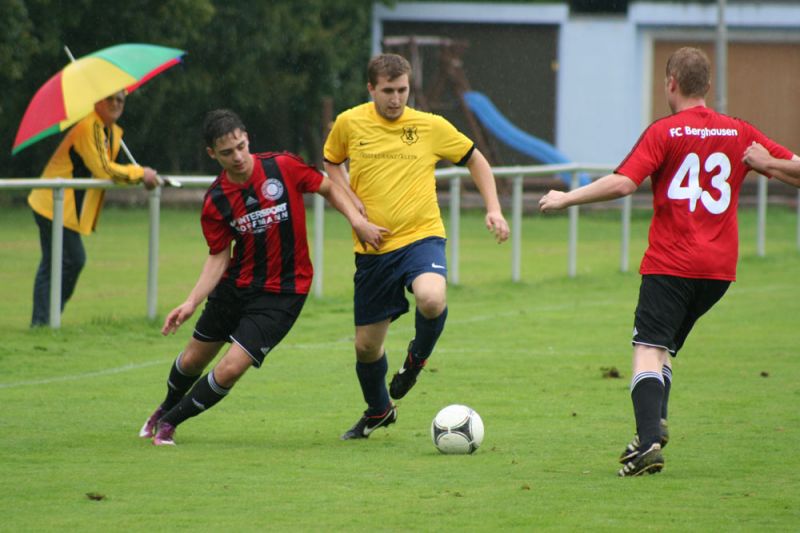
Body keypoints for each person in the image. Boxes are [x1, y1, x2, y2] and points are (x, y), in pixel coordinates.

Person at [539, 47, 800, 476]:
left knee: (646, 348)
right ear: (708, 85)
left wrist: (566, 198)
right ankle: (654, 424)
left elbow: (624, 184)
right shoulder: (740, 132)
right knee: (662, 349)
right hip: (717, 273)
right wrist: (767, 162)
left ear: (670, 83)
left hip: (671, 264)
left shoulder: (664, 131)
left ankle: (647, 445)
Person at [139, 109, 386, 446]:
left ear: (247, 139)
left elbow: (328, 187)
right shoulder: (216, 200)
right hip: (235, 287)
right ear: (212, 154)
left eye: (241, 146)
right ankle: (165, 407)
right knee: (193, 358)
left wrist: (357, 221)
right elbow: (218, 256)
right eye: (227, 152)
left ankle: (170, 422)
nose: (238, 157)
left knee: (231, 368)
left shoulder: (282, 166)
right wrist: (191, 302)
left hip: (283, 293)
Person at [323, 53, 510, 440]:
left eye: (402, 90)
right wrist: (354, 212)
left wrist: (494, 209)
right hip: (373, 249)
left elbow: (476, 161)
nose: (396, 98)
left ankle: (416, 359)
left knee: (431, 297)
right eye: (388, 91)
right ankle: (379, 411)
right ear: (371, 89)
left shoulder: (430, 126)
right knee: (366, 348)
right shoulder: (349, 122)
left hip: (421, 236)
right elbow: (331, 163)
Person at [28, 90, 159, 326]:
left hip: (63, 208)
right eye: (110, 99)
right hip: (51, 204)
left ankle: (46, 319)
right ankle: (43, 320)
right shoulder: (89, 126)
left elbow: (104, 167)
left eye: (120, 100)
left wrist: (139, 174)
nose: (116, 104)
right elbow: (103, 169)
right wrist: (140, 173)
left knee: (61, 261)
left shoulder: (110, 131)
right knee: (69, 260)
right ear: (97, 100)